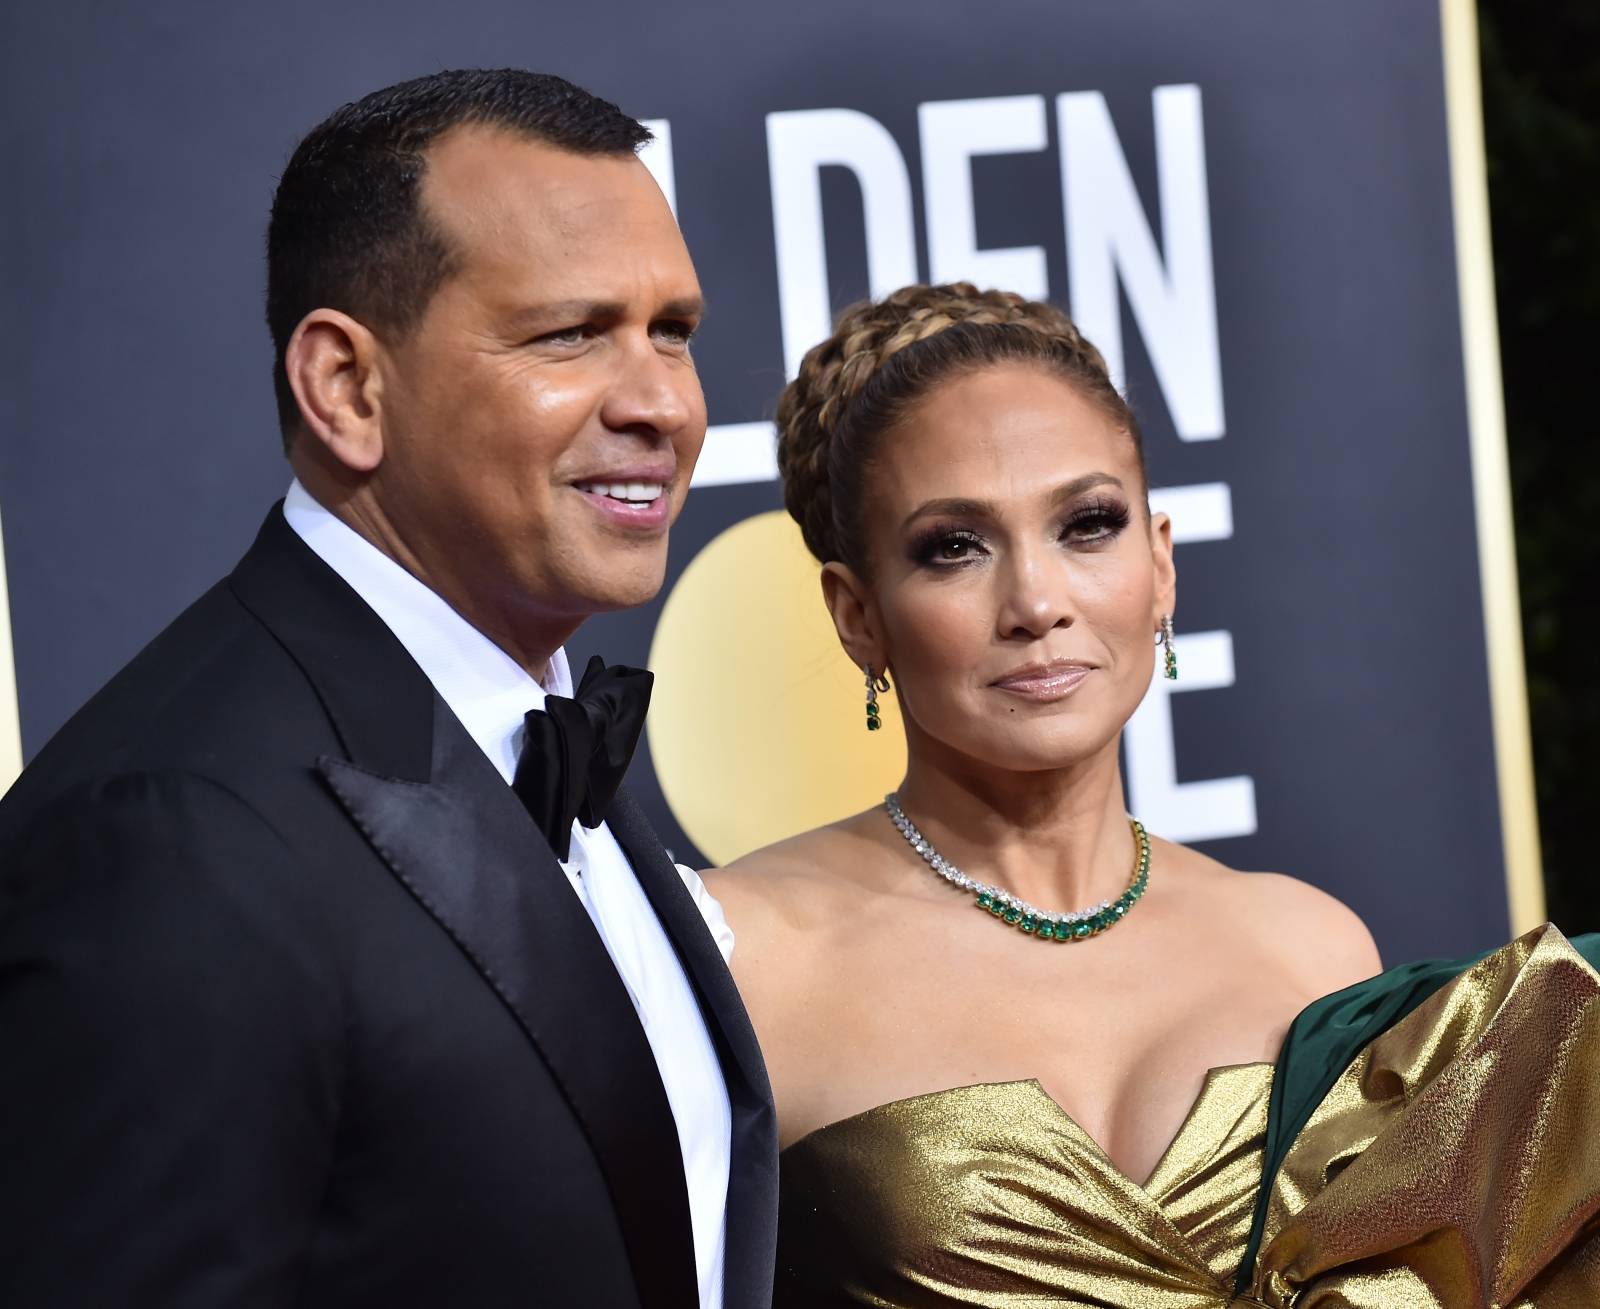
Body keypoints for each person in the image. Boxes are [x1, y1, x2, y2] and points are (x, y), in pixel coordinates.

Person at [0, 70, 775, 1308]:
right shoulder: (169, 836)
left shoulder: (542, 731)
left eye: (671, 330)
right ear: (348, 388)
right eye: (569, 333)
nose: (663, 405)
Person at [706, 283, 1600, 1306]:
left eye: (1086, 525)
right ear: (856, 613)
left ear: (1159, 566)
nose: (1037, 603)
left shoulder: (1307, 947)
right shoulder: (742, 956)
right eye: (953, 545)